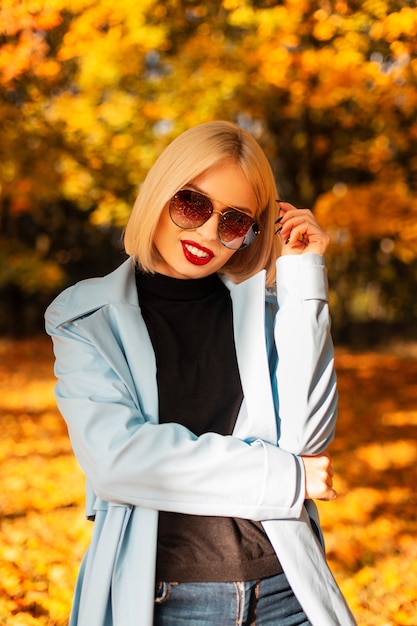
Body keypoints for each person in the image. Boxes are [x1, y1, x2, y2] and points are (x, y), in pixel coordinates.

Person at [45, 120, 356, 626]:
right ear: (160, 194)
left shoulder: (271, 309)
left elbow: (309, 435)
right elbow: (119, 461)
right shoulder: (86, 315)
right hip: (168, 600)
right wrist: (285, 476)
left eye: (234, 221)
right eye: (192, 204)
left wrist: (304, 278)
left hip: (286, 591)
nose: (209, 232)